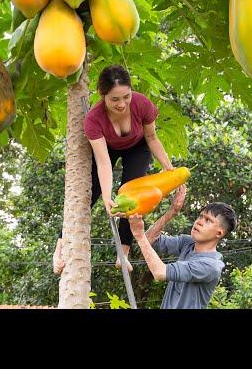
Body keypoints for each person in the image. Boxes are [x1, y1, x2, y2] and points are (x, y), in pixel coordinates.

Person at [53, 64, 176, 274]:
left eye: (126, 96)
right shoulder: (93, 119)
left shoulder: (142, 104)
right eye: (115, 99)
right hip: (107, 149)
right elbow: (103, 162)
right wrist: (107, 196)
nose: (122, 104)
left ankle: (123, 253)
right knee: (88, 194)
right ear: (103, 95)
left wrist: (168, 168)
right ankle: (60, 247)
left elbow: (152, 138)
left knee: (131, 196)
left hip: (138, 147)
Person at [128, 186, 237, 309]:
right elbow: (149, 239)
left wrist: (140, 236)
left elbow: (160, 272)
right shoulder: (188, 243)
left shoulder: (211, 265)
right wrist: (172, 212)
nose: (199, 222)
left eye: (208, 220)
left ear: (219, 233)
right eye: (200, 216)